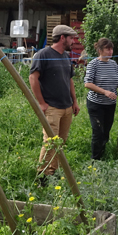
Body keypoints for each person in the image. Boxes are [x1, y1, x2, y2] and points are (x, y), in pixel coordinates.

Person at [29, 24, 80, 182]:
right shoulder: (43, 55)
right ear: (63, 38)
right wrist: (41, 103)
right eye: (71, 38)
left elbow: (69, 80)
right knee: (50, 142)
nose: (73, 41)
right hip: (51, 107)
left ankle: (53, 171)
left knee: (61, 142)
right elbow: (33, 78)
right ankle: (42, 175)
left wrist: (75, 101)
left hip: (66, 107)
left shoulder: (65, 56)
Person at [83, 38, 118, 160]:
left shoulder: (113, 64)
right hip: (96, 104)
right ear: (100, 50)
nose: (111, 51)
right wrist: (105, 92)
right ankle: (95, 159)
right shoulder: (93, 64)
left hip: (110, 104)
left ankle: (103, 155)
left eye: (111, 48)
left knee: (106, 131)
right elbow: (88, 84)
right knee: (98, 132)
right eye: (108, 49)